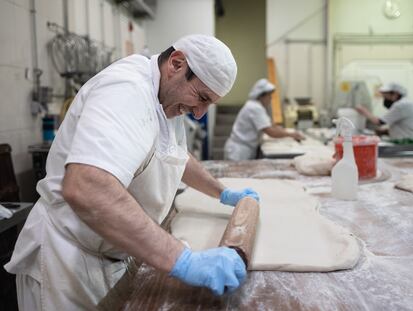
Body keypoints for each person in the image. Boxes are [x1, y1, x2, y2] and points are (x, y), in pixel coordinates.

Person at [5, 34, 260, 310]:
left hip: (108, 252)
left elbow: (175, 156)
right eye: (201, 97)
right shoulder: (126, 89)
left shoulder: (166, 100)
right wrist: (182, 260)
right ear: (176, 63)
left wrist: (222, 192)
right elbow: (87, 186)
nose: (199, 113)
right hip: (66, 264)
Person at [224, 78, 305, 161]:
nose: (270, 99)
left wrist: (283, 130)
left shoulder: (256, 106)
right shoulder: (255, 107)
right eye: (269, 96)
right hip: (239, 151)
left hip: (243, 148)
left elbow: (270, 125)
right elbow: (270, 131)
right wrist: (291, 134)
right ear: (261, 95)